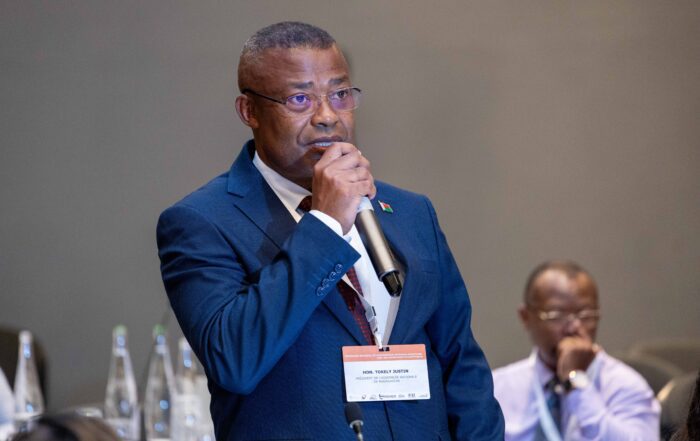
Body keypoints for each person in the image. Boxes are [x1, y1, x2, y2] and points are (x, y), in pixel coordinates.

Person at [157, 21, 503, 440]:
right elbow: (235, 361)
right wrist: (325, 223)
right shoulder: (201, 222)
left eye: (340, 95)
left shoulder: (410, 212)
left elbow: (462, 365)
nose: (326, 117)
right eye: (300, 99)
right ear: (249, 111)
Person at [493, 260, 661, 440]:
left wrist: (576, 380)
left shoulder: (626, 386)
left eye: (586, 315)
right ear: (525, 317)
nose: (573, 327)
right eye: (557, 315)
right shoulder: (497, 389)